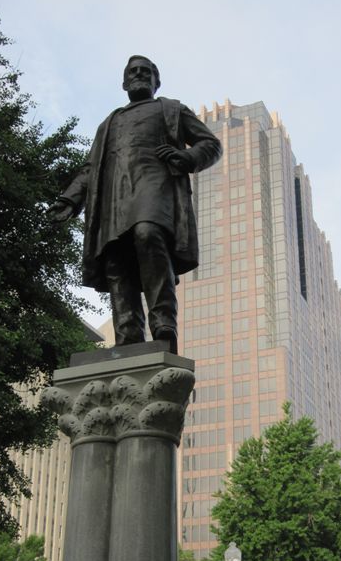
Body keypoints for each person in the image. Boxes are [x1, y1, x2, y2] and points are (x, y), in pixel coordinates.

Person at [48, 56, 222, 354]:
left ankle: (163, 321)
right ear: (124, 82)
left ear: (157, 82)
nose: (139, 75)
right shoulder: (110, 122)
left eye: (147, 71)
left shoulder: (171, 109)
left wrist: (187, 158)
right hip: (114, 197)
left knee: (147, 234)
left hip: (155, 186)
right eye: (133, 72)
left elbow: (210, 144)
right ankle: (128, 335)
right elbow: (91, 168)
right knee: (116, 258)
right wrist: (70, 198)